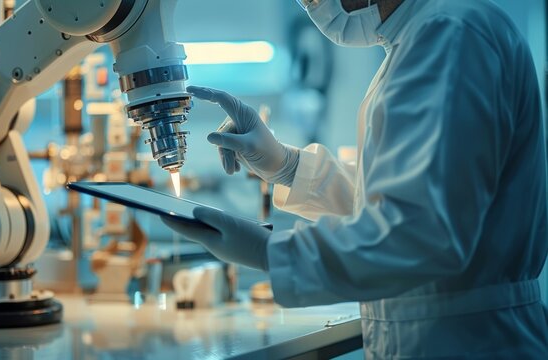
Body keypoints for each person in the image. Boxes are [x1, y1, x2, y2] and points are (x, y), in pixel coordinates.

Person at [162, 0, 548, 358]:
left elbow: (420, 233)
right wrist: (289, 167)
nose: (313, 4)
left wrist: (272, 251)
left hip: (471, 342)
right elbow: (408, 194)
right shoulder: (420, 37)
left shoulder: (449, 34)